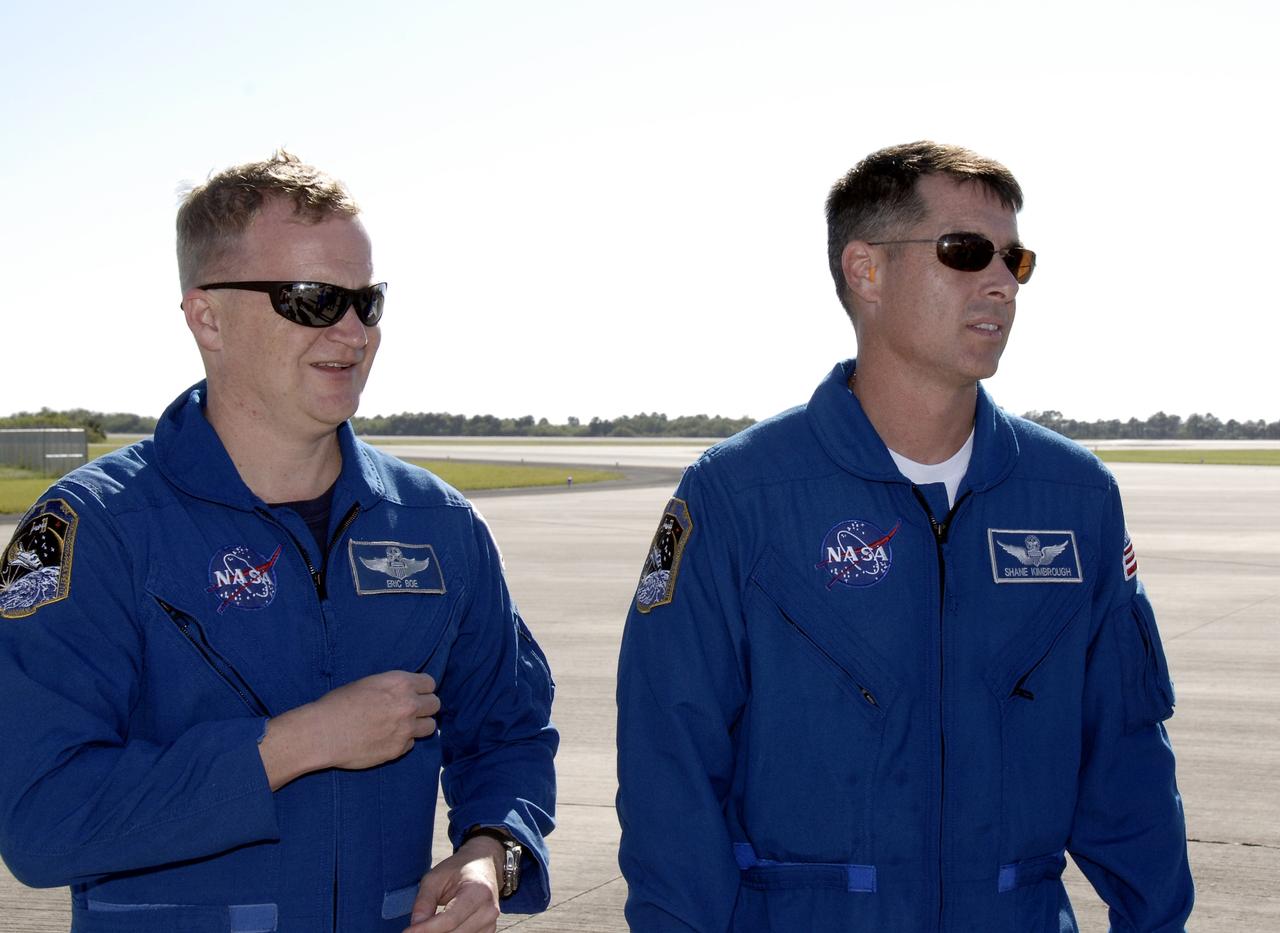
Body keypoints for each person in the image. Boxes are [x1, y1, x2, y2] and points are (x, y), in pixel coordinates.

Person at [615, 141, 1192, 931]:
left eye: (1015, 259)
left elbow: (1127, 766)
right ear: (866, 271)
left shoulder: (1076, 500)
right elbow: (669, 772)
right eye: (965, 252)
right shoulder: (738, 498)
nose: (1000, 281)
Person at [0, 151, 557, 932]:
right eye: (312, 299)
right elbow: (41, 818)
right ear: (208, 318)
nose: (353, 331)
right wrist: (295, 743)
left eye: (368, 302)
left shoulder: (439, 525)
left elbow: (509, 735)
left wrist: (489, 851)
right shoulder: (96, 531)